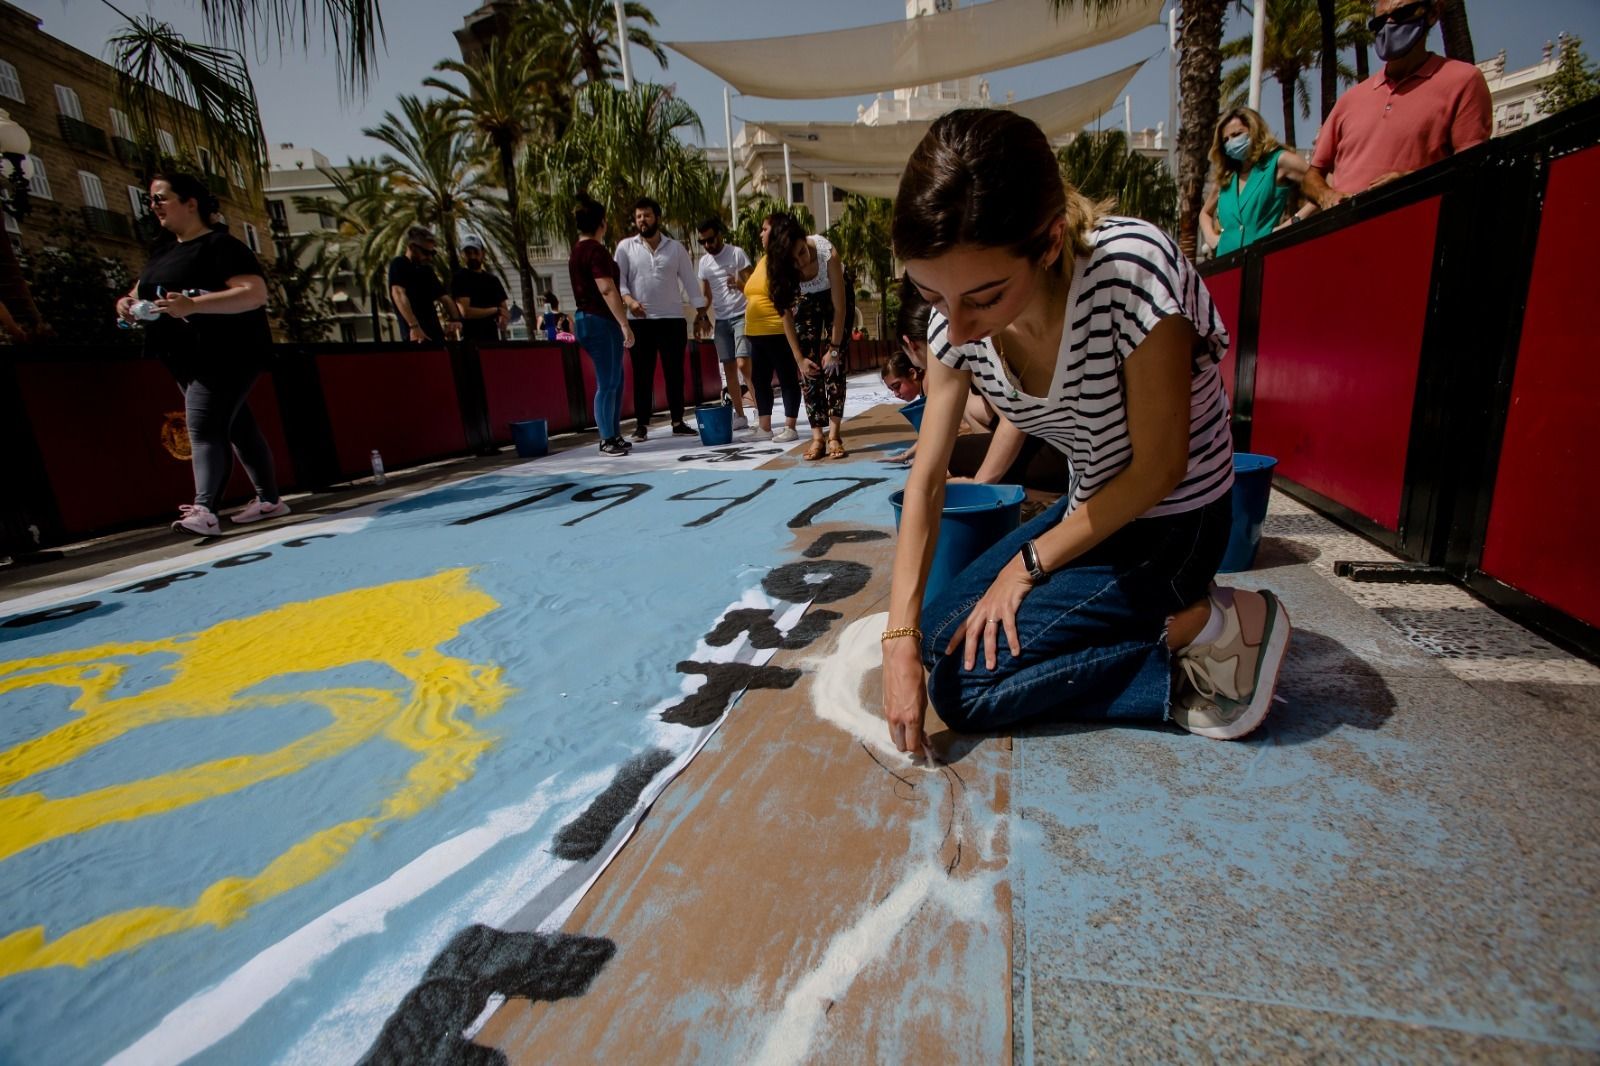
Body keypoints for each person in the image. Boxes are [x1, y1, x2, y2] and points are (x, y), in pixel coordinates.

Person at [881, 109, 1293, 760]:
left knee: (966, 693)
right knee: (937, 638)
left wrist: (1028, 564)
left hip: (1177, 520)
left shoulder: (1128, 276)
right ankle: (1150, 618)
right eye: (932, 297)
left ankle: (1202, 629)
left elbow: (1159, 469)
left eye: (983, 299)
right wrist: (896, 638)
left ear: (1047, 244)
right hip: (1095, 511)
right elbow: (928, 476)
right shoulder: (954, 317)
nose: (956, 330)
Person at [114, 172, 287, 535]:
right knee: (237, 425)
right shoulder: (163, 251)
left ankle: (205, 510)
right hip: (182, 355)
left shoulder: (222, 246)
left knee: (204, 428)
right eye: (151, 200)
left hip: (226, 353)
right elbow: (137, 291)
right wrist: (126, 305)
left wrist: (193, 305)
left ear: (190, 203)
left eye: (161, 198)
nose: (154, 206)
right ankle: (269, 499)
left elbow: (254, 293)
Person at [1303, 0, 1491, 210]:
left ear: (1432, 14)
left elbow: (1472, 168)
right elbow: (1312, 176)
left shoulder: (1463, 80)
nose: (1390, 25)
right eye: (1380, 21)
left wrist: (1412, 182)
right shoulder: (1350, 99)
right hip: (1345, 233)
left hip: (1414, 230)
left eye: (1402, 14)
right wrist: (1326, 196)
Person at [893, 278, 1071, 493]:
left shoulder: (972, 352)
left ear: (910, 344)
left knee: (954, 453)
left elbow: (1014, 420)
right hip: (1063, 446)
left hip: (1059, 455)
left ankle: (1026, 494)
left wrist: (980, 484)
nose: (956, 334)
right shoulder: (969, 350)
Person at [614, 197, 707, 440]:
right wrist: (629, 301)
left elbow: (689, 282)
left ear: (657, 217)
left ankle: (678, 421)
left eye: (646, 215)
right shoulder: (625, 247)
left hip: (672, 320)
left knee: (674, 373)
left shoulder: (675, 248)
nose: (642, 221)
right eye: (638, 217)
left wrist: (701, 313)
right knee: (642, 375)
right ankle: (641, 425)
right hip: (639, 323)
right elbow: (619, 281)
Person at [765, 212, 852, 461]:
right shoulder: (781, 267)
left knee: (834, 365)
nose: (801, 263)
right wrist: (798, 358)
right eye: (794, 260)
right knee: (809, 367)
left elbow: (839, 308)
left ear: (805, 239)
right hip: (807, 302)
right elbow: (786, 317)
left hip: (836, 300)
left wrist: (834, 347)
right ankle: (817, 437)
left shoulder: (827, 254)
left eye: (802, 252)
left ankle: (834, 435)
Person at [568, 194, 637, 457]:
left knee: (615, 380)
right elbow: (607, 288)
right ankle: (606, 437)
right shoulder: (594, 251)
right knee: (608, 381)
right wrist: (624, 324)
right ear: (602, 223)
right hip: (600, 321)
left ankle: (613, 433)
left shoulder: (577, 251)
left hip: (589, 320)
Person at [1201, 107, 1311, 256]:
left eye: (1237, 134)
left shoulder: (1278, 161)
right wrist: (1211, 238)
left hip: (1264, 259)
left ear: (1254, 130)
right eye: (1226, 140)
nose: (1231, 142)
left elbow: (1324, 184)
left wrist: (1293, 222)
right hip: (1226, 265)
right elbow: (1205, 213)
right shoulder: (1226, 178)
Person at [741, 225, 802, 444]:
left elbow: (787, 295)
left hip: (777, 330)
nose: (760, 233)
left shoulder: (782, 262)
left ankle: (790, 426)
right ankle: (764, 427)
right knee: (760, 380)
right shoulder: (761, 261)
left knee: (787, 378)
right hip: (756, 334)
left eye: (765, 229)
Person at [694, 216, 754, 432]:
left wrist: (738, 284)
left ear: (720, 234)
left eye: (710, 240)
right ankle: (739, 414)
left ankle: (760, 408)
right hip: (721, 320)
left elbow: (753, 285)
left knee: (743, 364)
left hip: (741, 314)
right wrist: (701, 316)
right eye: (703, 242)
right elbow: (706, 296)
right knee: (728, 367)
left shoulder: (736, 253)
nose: (708, 246)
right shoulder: (704, 263)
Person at [388, 225, 464, 344]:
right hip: (415, 336)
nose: (429, 257)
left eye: (432, 253)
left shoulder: (426, 270)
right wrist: (414, 326)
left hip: (435, 334)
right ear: (412, 247)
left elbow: (444, 297)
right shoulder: (399, 264)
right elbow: (398, 293)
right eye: (425, 252)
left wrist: (456, 319)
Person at [451, 233, 510, 343]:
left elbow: (504, 309)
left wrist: (503, 317)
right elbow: (466, 312)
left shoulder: (492, 280)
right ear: (462, 255)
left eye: (476, 252)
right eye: (468, 253)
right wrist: (495, 310)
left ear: (483, 253)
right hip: (470, 339)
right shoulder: (460, 278)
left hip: (492, 338)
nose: (473, 257)